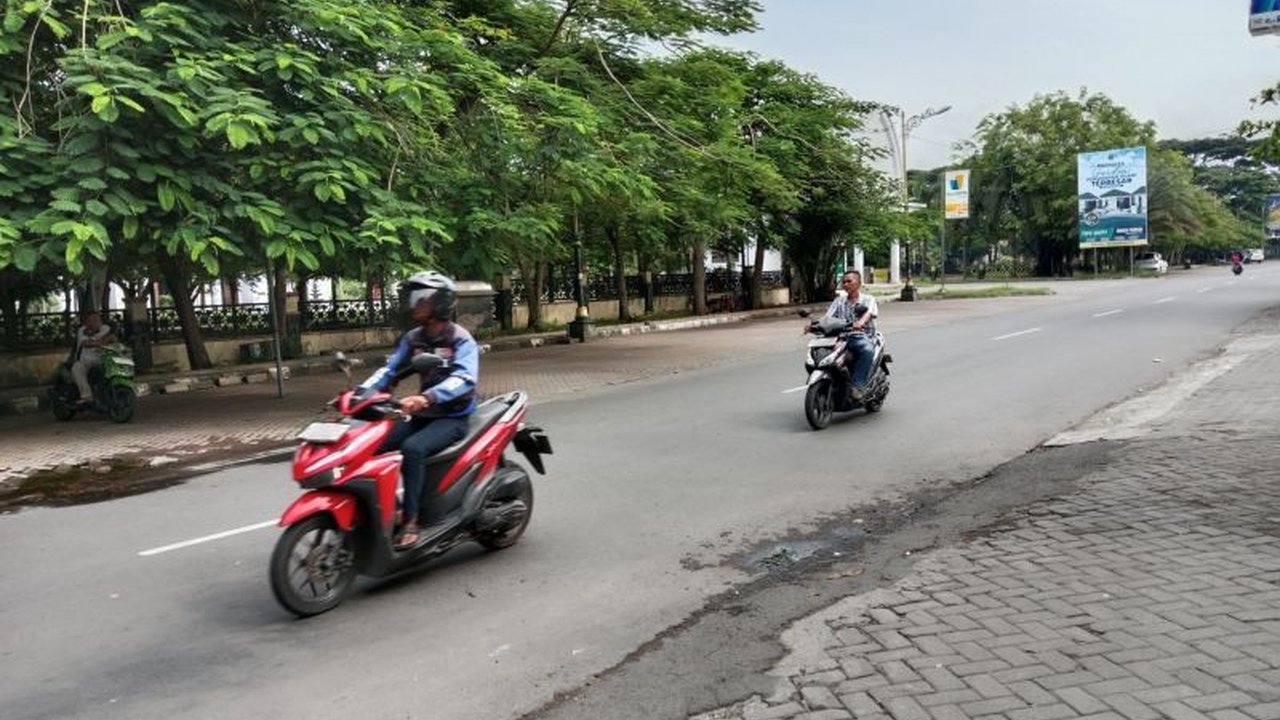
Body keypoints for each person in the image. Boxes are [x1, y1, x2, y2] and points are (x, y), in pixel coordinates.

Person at [358, 272, 479, 548]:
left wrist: (428, 397)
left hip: (452, 416)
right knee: (372, 444)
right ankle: (394, 508)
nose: (415, 305)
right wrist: (360, 393)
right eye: (413, 298)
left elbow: (465, 379)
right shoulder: (413, 338)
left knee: (412, 449)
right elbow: (390, 370)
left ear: (441, 303)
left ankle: (411, 521)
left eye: (422, 299)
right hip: (422, 414)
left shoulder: (460, 340)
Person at [823, 271, 879, 401]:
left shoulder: (868, 299)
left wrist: (860, 322)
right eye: (844, 282)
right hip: (841, 337)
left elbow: (868, 313)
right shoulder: (839, 301)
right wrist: (814, 325)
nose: (846, 284)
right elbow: (828, 318)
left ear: (859, 283)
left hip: (862, 336)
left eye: (849, 281)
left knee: (866, 350)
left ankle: (857, 386)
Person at [72, 310, 115, 406]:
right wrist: (101, 342)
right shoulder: (82, 331)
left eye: (97, 319)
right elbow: (85, 343)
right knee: (77, 368)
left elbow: (113, 338)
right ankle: (86, 395)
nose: (96, 322)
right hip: (86, 361)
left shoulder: (106, 328)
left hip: (103, 359)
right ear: (87, 322)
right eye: (92, 320)